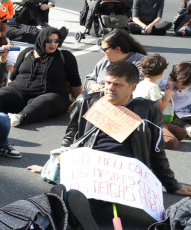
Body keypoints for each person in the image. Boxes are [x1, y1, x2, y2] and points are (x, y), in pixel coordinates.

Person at [61, 60, 191, 196]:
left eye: (117, 84)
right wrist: (57, 166)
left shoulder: (148, 109)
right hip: (90, 169)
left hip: (128, 174)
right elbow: (70, 138)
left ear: (133, 88)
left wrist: (172, 185)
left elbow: (156, 151)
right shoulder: (85, 102)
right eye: (108, 82)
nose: (110, 88)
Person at [85, 29, 145, 94]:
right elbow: (89, 79)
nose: (102, 52)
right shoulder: (104, 61)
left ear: (117, 49)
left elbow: (141, 86)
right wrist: (93, 86)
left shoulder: (140, 62)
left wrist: (107, 89)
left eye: (105, 49)